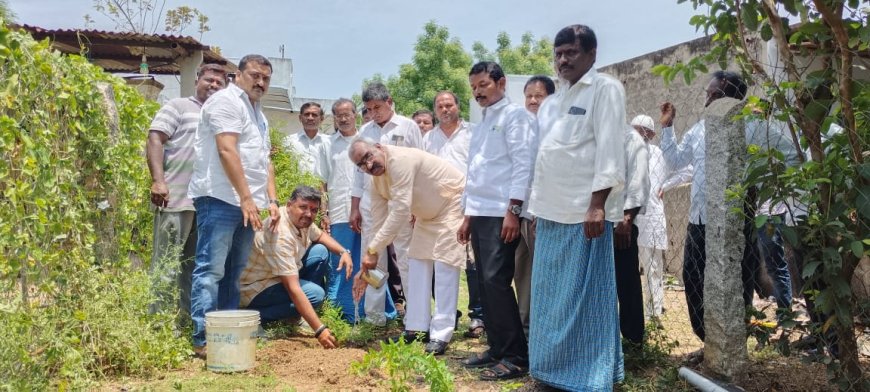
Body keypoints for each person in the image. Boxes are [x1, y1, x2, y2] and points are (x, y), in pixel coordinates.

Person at [526, 25, 626, 390]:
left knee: (586, 302)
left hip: (584, 215)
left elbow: (610, 149)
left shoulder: (605, 89)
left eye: (570, 52)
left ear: (592, 54)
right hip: (550, 214)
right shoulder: (553, 101)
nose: (563, 59)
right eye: (558, 53)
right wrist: (535, 210)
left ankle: (589, 378)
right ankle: (550, 372)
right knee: (550, 301)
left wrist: (597, 205)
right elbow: (544, 158)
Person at [187, 54, 281, 359]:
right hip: (220, 198)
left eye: (266, 78)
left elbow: (264, 160)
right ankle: (202, 337)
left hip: (249, 204)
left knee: (234, 272)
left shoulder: (259, 113)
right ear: (237, 74)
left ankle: (226, 330)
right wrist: (245, 198)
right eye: (255, 75)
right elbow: (227, 150)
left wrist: (272, 200)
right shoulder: (226, 102)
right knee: (211, 270)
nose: (261, 82)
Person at [659, 70, 754, 345]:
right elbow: (676, 161)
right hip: (699, 218)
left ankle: (736, 338)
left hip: (735, 219)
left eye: (715, 94)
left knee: (739, 277)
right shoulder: (699, 129)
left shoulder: (750, 128)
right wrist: (667, 127)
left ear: (733, 98)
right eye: (708, 94)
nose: (708, 99)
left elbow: (788, 157)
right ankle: (706, 337)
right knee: (691, 273)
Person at [349, 140, 465, 355]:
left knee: (444, 268)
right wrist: (370, 254)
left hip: (451, 205)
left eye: (368, 156)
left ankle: (441, 334)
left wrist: (373, 250)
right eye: (361, 164)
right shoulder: (375, 181)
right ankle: (416, 328)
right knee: (416, 265)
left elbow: (401, 211)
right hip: (426, 216)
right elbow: (377, 220)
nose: (368, 164)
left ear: (378, 147)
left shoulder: (401, 160)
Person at [457, 61, 534, 381]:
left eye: (483, 85)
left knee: (496, 280)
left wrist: (513, 211)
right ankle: (497, 348)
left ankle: (516, 356)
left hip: (502, 213)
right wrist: (467, 215)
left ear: (501, 83)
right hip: (481, 212)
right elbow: (475, 173)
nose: (477, 92)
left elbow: (523, 164)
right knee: (484, 283)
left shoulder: (516, 116)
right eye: (474, 87)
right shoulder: (484, 120)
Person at [146, 63, 227, 321]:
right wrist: (158, 180)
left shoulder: (220, 116)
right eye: (209, 80)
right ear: (197, 80)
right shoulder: (179, 107)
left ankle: (183, 324)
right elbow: (155, 138)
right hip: (175, 199)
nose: (213, 86)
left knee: (192, 268)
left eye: (219, 83)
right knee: (166, 265)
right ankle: (157, 326)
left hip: (205, 205)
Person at [240, 185, 352, 349]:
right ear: (289, 205)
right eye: (303, 207)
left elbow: (320, 235)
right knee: (315, 295)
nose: (308, 214)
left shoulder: (300, 220)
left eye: (314, 210)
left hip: (276, 276)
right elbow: (293, 288)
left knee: (320, 252)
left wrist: (343, 252)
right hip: (255, 287)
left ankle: (295, 315)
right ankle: (251, 317)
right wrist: (320, 329)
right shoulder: (279, 233)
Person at [349, 82, 423, 325]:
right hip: (373, 205)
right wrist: (355, 207)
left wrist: (417, 205)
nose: (374, 113)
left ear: (389, 101)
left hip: (403, 203)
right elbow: (359, 175)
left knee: (406, 258)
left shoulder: (408, 126)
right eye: (369, 109)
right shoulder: (365, 132)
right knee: (374, 258)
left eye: (378, 107)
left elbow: (419, 163)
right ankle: (374, 315)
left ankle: (415, 314)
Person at [424, 91, 481, 338]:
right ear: (435, 110)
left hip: (468, 205)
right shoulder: (428, 138)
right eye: (440, 106)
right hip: (437, 210)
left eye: (449, 105)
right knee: (442, 263)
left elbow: (479, 169)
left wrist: (472, 206)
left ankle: (478, 316)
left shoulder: (473, 133)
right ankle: (448, 317)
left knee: (473, 263)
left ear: (457, 106)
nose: (445, 109)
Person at [631, 115, 692, 320]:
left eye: (641, 130)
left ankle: (654, 311)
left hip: (652, 218)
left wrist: (664, 186)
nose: (637, 134)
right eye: (634, 129)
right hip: (628, 220)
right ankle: (637, 310)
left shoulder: (658, 154)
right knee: (632, 268)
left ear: (650, 134)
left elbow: (688, 171)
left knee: (654, 267)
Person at [514, 75, 554, 338]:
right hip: (520, 214)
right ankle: (525, 331)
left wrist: (542, 208)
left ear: (550, 98)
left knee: (544, 276)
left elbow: (550, 173)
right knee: (522, 272)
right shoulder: (522, 128)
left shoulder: (555, 128)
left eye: (538, 96)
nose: (532, 100)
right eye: (528, 95)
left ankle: (544, 332)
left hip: (542, 214)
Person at [321, 98, 365, 322]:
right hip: (339, 210)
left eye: (347, 113)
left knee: (365, 259)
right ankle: (340, 311)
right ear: (334, 117)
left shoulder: (367, 139)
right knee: (340, 260)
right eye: (339, 114)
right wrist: (324, 212)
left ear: (355, 114)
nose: (344, 118)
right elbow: (322, 181)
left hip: (367, 211)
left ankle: (369, 311)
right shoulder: (328, 144)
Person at [614, 123, 650, 347]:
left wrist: (627, 219)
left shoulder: (631, 139)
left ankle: (633, 340)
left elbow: (638, 183)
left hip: (621, 223)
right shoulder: (596, 135)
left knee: (626, 282)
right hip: (595, 222)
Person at [284, 102, 330, 182]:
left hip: (323, 192)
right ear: (300, 118)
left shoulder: (329, 142)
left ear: (321, 119)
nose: (310, 118)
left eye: (314, 115)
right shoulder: (288, 141)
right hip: (296, 191)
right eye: (306, 114)